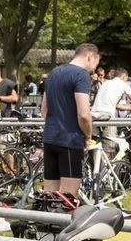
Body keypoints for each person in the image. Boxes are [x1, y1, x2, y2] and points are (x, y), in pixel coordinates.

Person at [39, 44, 99, 195]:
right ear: (90, 56)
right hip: (70, 139)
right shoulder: (81, 75)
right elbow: (84, 114)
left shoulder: (53, 73)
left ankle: (48, 219)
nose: (94, 70)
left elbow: (43, 110)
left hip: (50, 137)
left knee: (49, 196)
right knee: (68, 198)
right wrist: (88, 135)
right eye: (95, 65)